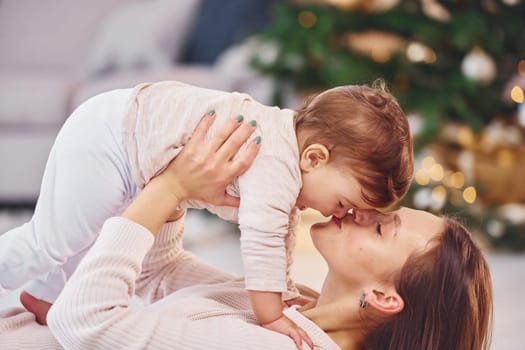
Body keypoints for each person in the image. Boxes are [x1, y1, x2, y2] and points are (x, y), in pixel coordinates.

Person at [0, 113, 492, 350]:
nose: (363, 212)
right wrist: (185, 186)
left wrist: (167, 188)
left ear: (385, 298)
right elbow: (160, 274)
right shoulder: (295, 308)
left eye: (383, 228)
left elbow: (82, 321)